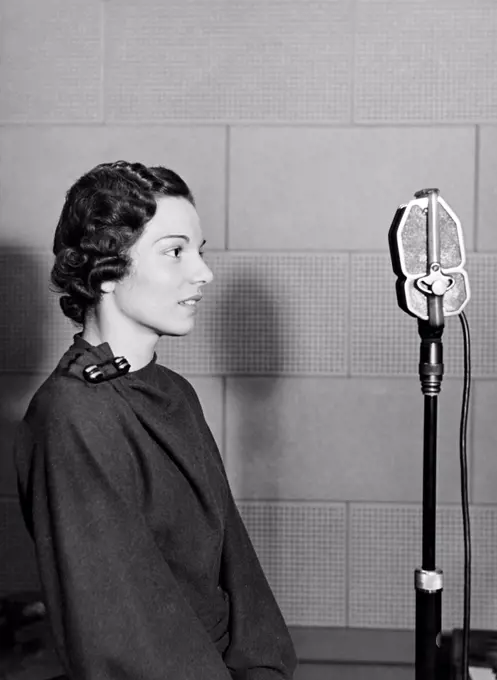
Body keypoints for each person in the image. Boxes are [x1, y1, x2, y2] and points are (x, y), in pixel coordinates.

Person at [13, 161, 297, 680]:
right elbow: (123, 633)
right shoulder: (72, 415)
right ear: (106, 270)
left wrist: (264, 670)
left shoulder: (175, 393)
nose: (203, 271)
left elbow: (238, 567)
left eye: (199, 250)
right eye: (174, 252)